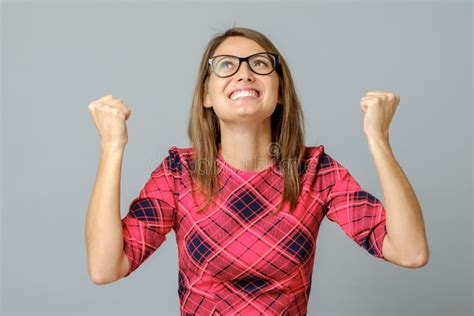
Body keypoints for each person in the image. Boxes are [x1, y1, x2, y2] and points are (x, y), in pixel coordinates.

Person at [86, 27, 429, 315]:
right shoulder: (179, 173)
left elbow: (409, 251)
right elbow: (106, 267)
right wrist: (111, 148)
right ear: (206, 95)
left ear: (279, 92)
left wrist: (378, 139)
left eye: (260, 63)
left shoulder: (314, 172)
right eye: (225, 65)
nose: (244, 73)